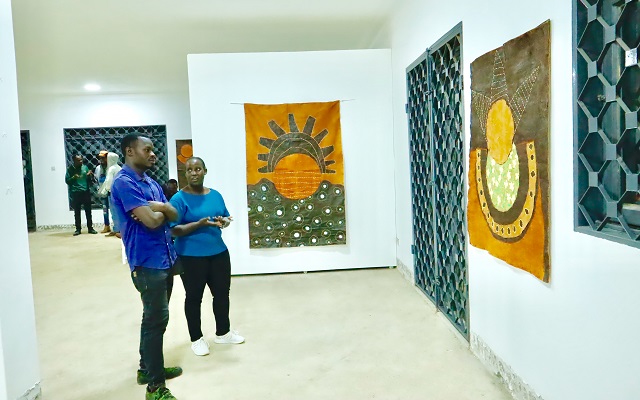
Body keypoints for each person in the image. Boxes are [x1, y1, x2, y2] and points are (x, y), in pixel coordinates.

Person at [110, 134, 183, 400]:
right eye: (147, 149)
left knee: (155, 319)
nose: (153, 154)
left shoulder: (150, 183)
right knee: (156, 320)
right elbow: (152, 222)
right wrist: (161, 212)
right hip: (146, 263)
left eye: (153, 149)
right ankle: (155, 387)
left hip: (165, 258)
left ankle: (147, 368)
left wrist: (159, 207)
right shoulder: (124, 182)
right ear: (130, 151)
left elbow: (174, 214)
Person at [170, 156, 244, 357]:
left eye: (198, 169)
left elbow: (224, 218)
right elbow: (173, 230)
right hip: (190, 257)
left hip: (218, 253)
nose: (194, 173)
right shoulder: (178, 200)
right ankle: (197, 339)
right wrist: (198, 224)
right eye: (189, 170)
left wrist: (224, 221)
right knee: (194, 298)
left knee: (222, 294)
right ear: (185, 173)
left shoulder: (216, 195)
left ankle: (223, 333)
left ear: (205, 171)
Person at [65, 154, 97, 236]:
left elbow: (90, 180)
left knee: (88, 211)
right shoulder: (70, 169)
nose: (81, 161)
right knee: (77, 212)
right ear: (74, 161)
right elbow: (67, 181)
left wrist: (90, 175)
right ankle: (78, 229)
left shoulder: (85, 167)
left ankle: (90, 228)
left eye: (81, 159)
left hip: (85, 191)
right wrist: (73, 177)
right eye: (78, 160)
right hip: (76, 192)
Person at [98, 152, 122, 238]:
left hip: (112, 193)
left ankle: (116, 230)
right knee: (119, 212)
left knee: (114, 212)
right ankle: (120, 229)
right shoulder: (119, 168)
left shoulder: (111, 169)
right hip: (119, 192)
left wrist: (104, 190)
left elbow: (108, 181)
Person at [95, 150, 112, 234]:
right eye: (100, 158)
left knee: (114, 210)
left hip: (111, 192)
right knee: (105, 210)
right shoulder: (98, 168)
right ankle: (106, 226)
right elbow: (97, 180)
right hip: (103, 193)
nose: (101, 160)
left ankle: (117, 227)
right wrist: (99, 189)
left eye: (103, 158)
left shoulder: (112, 168)